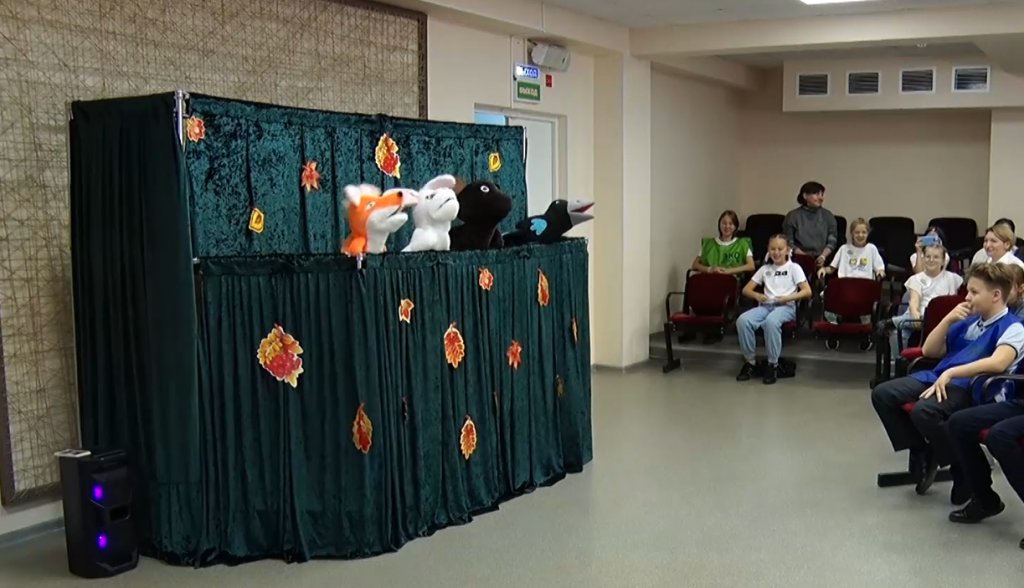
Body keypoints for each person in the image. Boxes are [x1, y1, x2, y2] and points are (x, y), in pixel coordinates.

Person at [871, 263, 1023, 497]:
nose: (967, 297)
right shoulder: (969, 321)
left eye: (974, 292)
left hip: (971, 387)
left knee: (924, 411)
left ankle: (959, 465)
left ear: (995, 295)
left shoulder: (1013, 327)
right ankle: (923, 450)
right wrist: (948, 320)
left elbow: (998, 363)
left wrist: (952, 373)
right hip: (938, 376)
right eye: (968, 291)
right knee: (882, 394)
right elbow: (929, 351)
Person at [736, 235, 812, 385]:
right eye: (772, 249)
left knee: (771, 322)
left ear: (787, 250)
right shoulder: (765, 269)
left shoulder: (794, 268)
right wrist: (757, 295)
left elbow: (807, 291)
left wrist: (788, 297)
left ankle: (773, 364)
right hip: (766, 306)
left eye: (780, 249)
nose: (776, 252)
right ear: (768, 250)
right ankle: (750, 362)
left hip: (786, 306)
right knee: (743, 321)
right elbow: (746, 290)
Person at [890, 244, 963, 353]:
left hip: (942, 317)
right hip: (919, 317)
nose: (931, 260)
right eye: (928, 257)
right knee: (898, 333)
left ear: (943, 261)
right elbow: (914, 302)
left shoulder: (953, 278)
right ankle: (899, 362)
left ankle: (892, 322)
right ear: (923, 259)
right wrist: (915, 313)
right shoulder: (916, 278)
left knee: (903, 323)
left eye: (936, 257)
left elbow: (953, 301)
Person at [817, 218, 884, 325]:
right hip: (845, 287)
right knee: (828, 292)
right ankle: (834, 320)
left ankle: (865, 319)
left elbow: (880, 268)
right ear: (852, 233)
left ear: (868, 233)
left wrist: (880, 272)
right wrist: (824, 269)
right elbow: (832, 268)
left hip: (863, 287)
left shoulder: (872, 249)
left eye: (864, 232)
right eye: (857, 232)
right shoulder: (844, 248)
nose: (860, 235)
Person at [783, 181, 837, 269]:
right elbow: (788, 241)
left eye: (822, 194)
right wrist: (805, 258)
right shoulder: (792, 216)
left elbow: (832, 241)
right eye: (816, 194)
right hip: (798, 259)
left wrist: (823, 256)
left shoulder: (828, 215)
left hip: (823, 258)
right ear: (805, 196)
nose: (820, 198)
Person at [692, 210, 755, 276]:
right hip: (710, 279)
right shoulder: (708, 244)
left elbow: (751, 266)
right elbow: (695, 265)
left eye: (730, 224)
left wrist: (729, 271)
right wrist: (709, 269)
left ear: (735, 227)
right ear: (719, 224)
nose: (727, 226)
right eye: (724, 223)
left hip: (731, 280)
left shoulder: (742, 244)